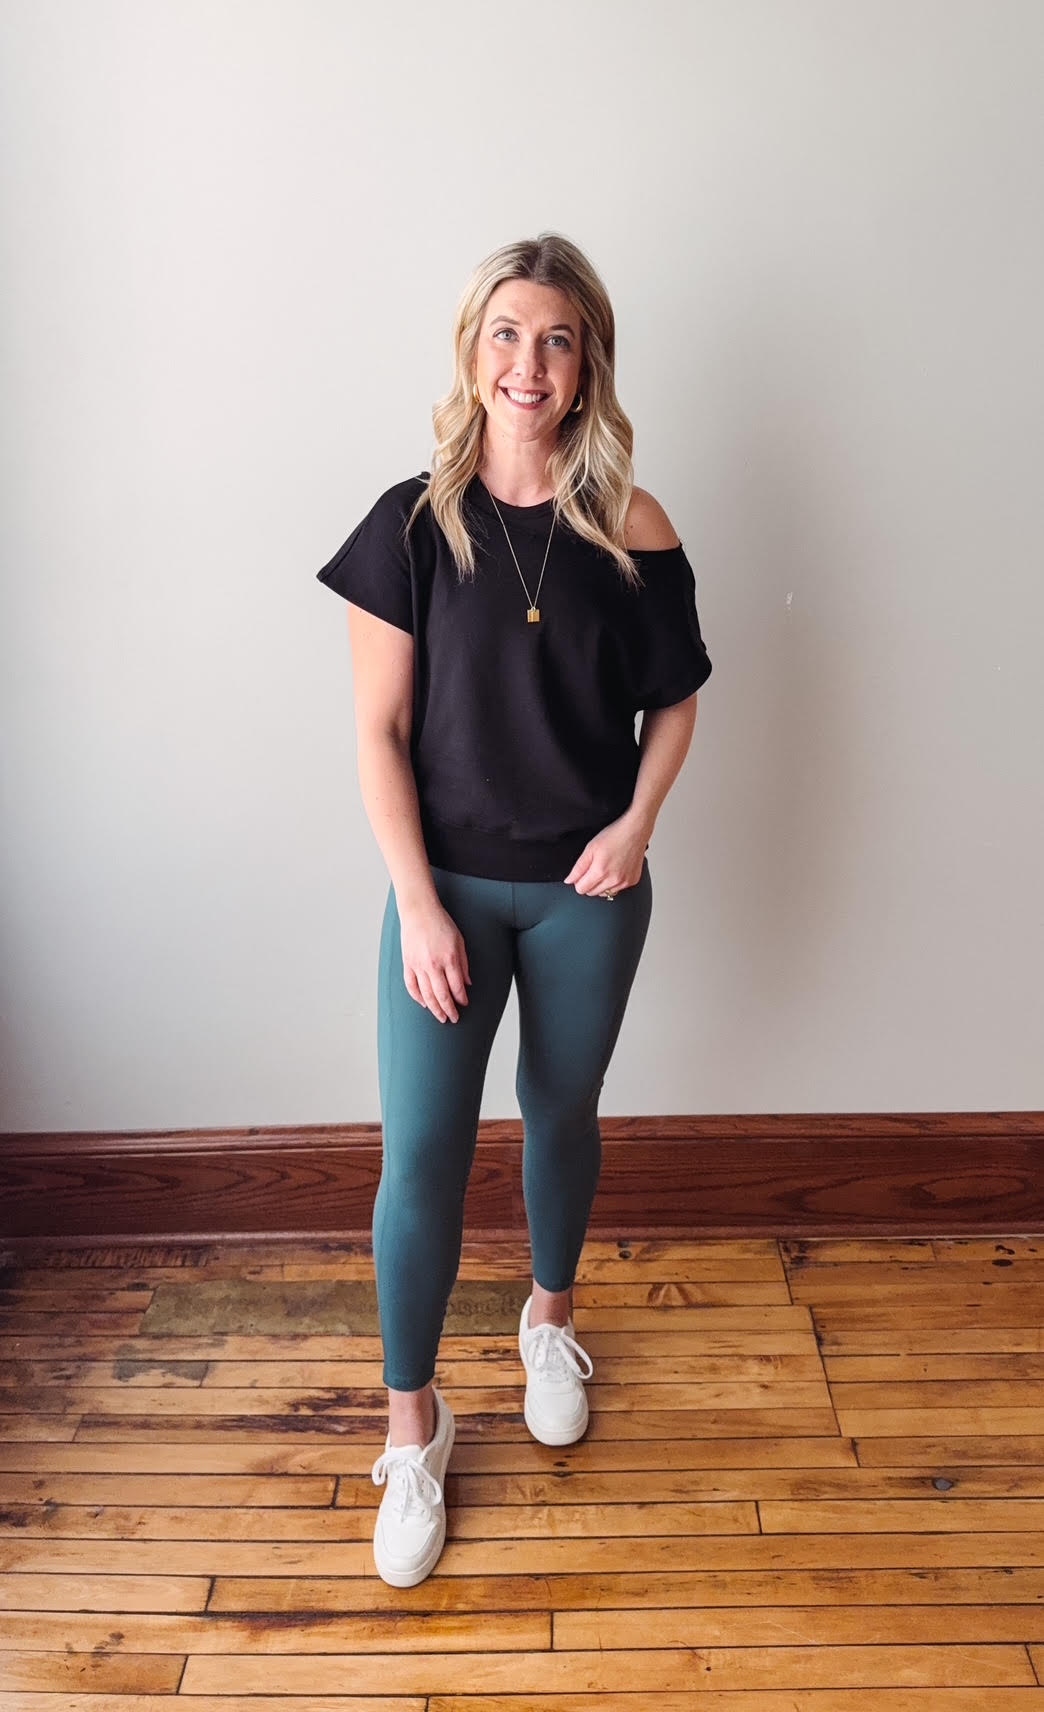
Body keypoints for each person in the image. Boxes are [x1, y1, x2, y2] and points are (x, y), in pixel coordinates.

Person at [315, 232, 712, 1587]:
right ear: (471, 353)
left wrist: (636, 825)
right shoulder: (410, 529)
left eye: (554, 338)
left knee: (561, 1111)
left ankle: (549, 1318)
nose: (526, 363)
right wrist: (417, 906)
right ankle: (413, 1430)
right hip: (447, 897)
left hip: (587, 893)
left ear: (585, 360)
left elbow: (678, 707)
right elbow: (377, 735)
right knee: (421, 1156)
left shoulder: (634, 526)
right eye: (504, 334)